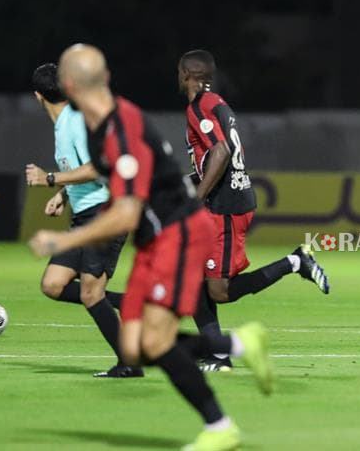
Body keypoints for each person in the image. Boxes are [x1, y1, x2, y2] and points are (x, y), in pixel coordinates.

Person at [29, 44, 272, 451]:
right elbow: (108, 172)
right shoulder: (111, 118)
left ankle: (220, 424)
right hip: (160, 234)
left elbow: (124, 213)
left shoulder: (114, 129)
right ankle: (239, 346)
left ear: (68, 86)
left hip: (177, 234)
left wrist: (63, 239)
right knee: (138, 345)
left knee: (149, 344)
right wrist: (64, 196)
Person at [179, 49, 329, 372]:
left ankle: (294, 262)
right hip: (223, 200)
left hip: (225, 207)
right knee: (192, 275)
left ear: (186, 74)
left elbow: (221, 151)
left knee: (218, 291)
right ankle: (217, 354)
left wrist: (197, 196)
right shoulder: (216, 104)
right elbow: (214, 157)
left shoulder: (198, 107)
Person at [26, 63, 135, 378]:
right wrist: (62, 194)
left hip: (105, 214)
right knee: (53, 284)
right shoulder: (64, 124)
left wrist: (49, 178)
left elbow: (97, 167)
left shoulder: (75, 122)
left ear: (38, 97)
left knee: (90, 293)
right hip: (85, 215)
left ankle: (128, 362)